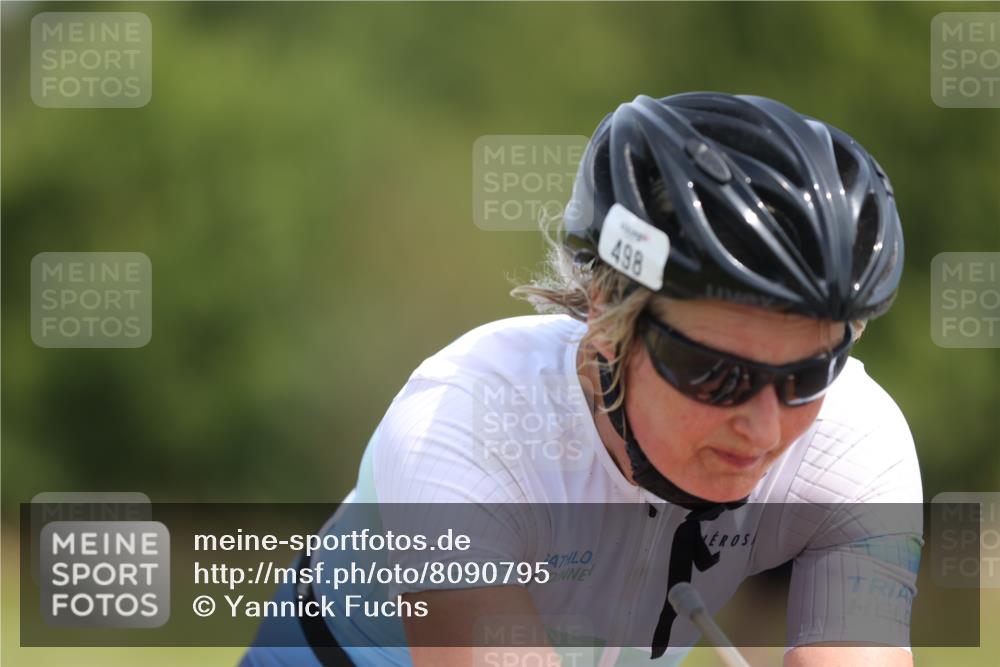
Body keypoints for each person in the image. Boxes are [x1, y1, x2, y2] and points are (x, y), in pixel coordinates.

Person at [240, 92, 922, 667]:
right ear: (607, 312)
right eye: (714, 372)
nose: (766, 428)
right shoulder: (467, 421)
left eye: (809, 371)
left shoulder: (853, 444)